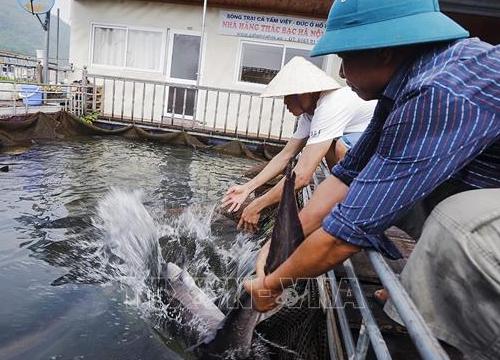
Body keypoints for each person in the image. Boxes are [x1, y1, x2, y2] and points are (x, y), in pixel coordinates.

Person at [244, 0, 500, 357]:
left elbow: (345, 234)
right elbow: (346, 178)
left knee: (456, 219)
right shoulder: (404, 90)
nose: (343, 73)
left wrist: (272, 284)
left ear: (382, 51)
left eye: (346, 58)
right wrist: (277, 246)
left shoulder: (438, 91)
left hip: (479, 213)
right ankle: (421, 286)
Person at [222, 57, 376, 232]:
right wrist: (247, 188)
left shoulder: (331, 105)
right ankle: (345, 200)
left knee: (340, 146)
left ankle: (357, 209)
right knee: (329, 147)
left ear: (305, 93)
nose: (285, 102)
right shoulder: (310, 115)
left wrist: (258, 205)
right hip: (365, 144)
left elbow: (302, 177)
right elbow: (285, 155)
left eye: (288, 96)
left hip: (386, 145)